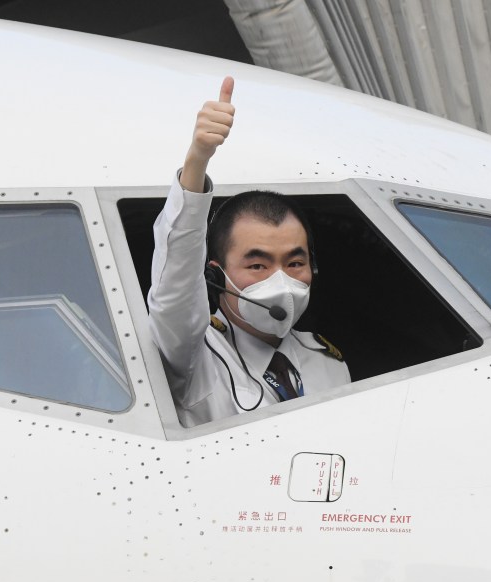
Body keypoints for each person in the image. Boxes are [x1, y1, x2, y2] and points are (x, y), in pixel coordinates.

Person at [148, 76, 350, 427]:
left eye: (295, 262)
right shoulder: (194, 355)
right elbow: (176, 285)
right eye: (258, 265)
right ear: (215, 275)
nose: (282, 281)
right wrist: (198, 160)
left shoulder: (329, 361)